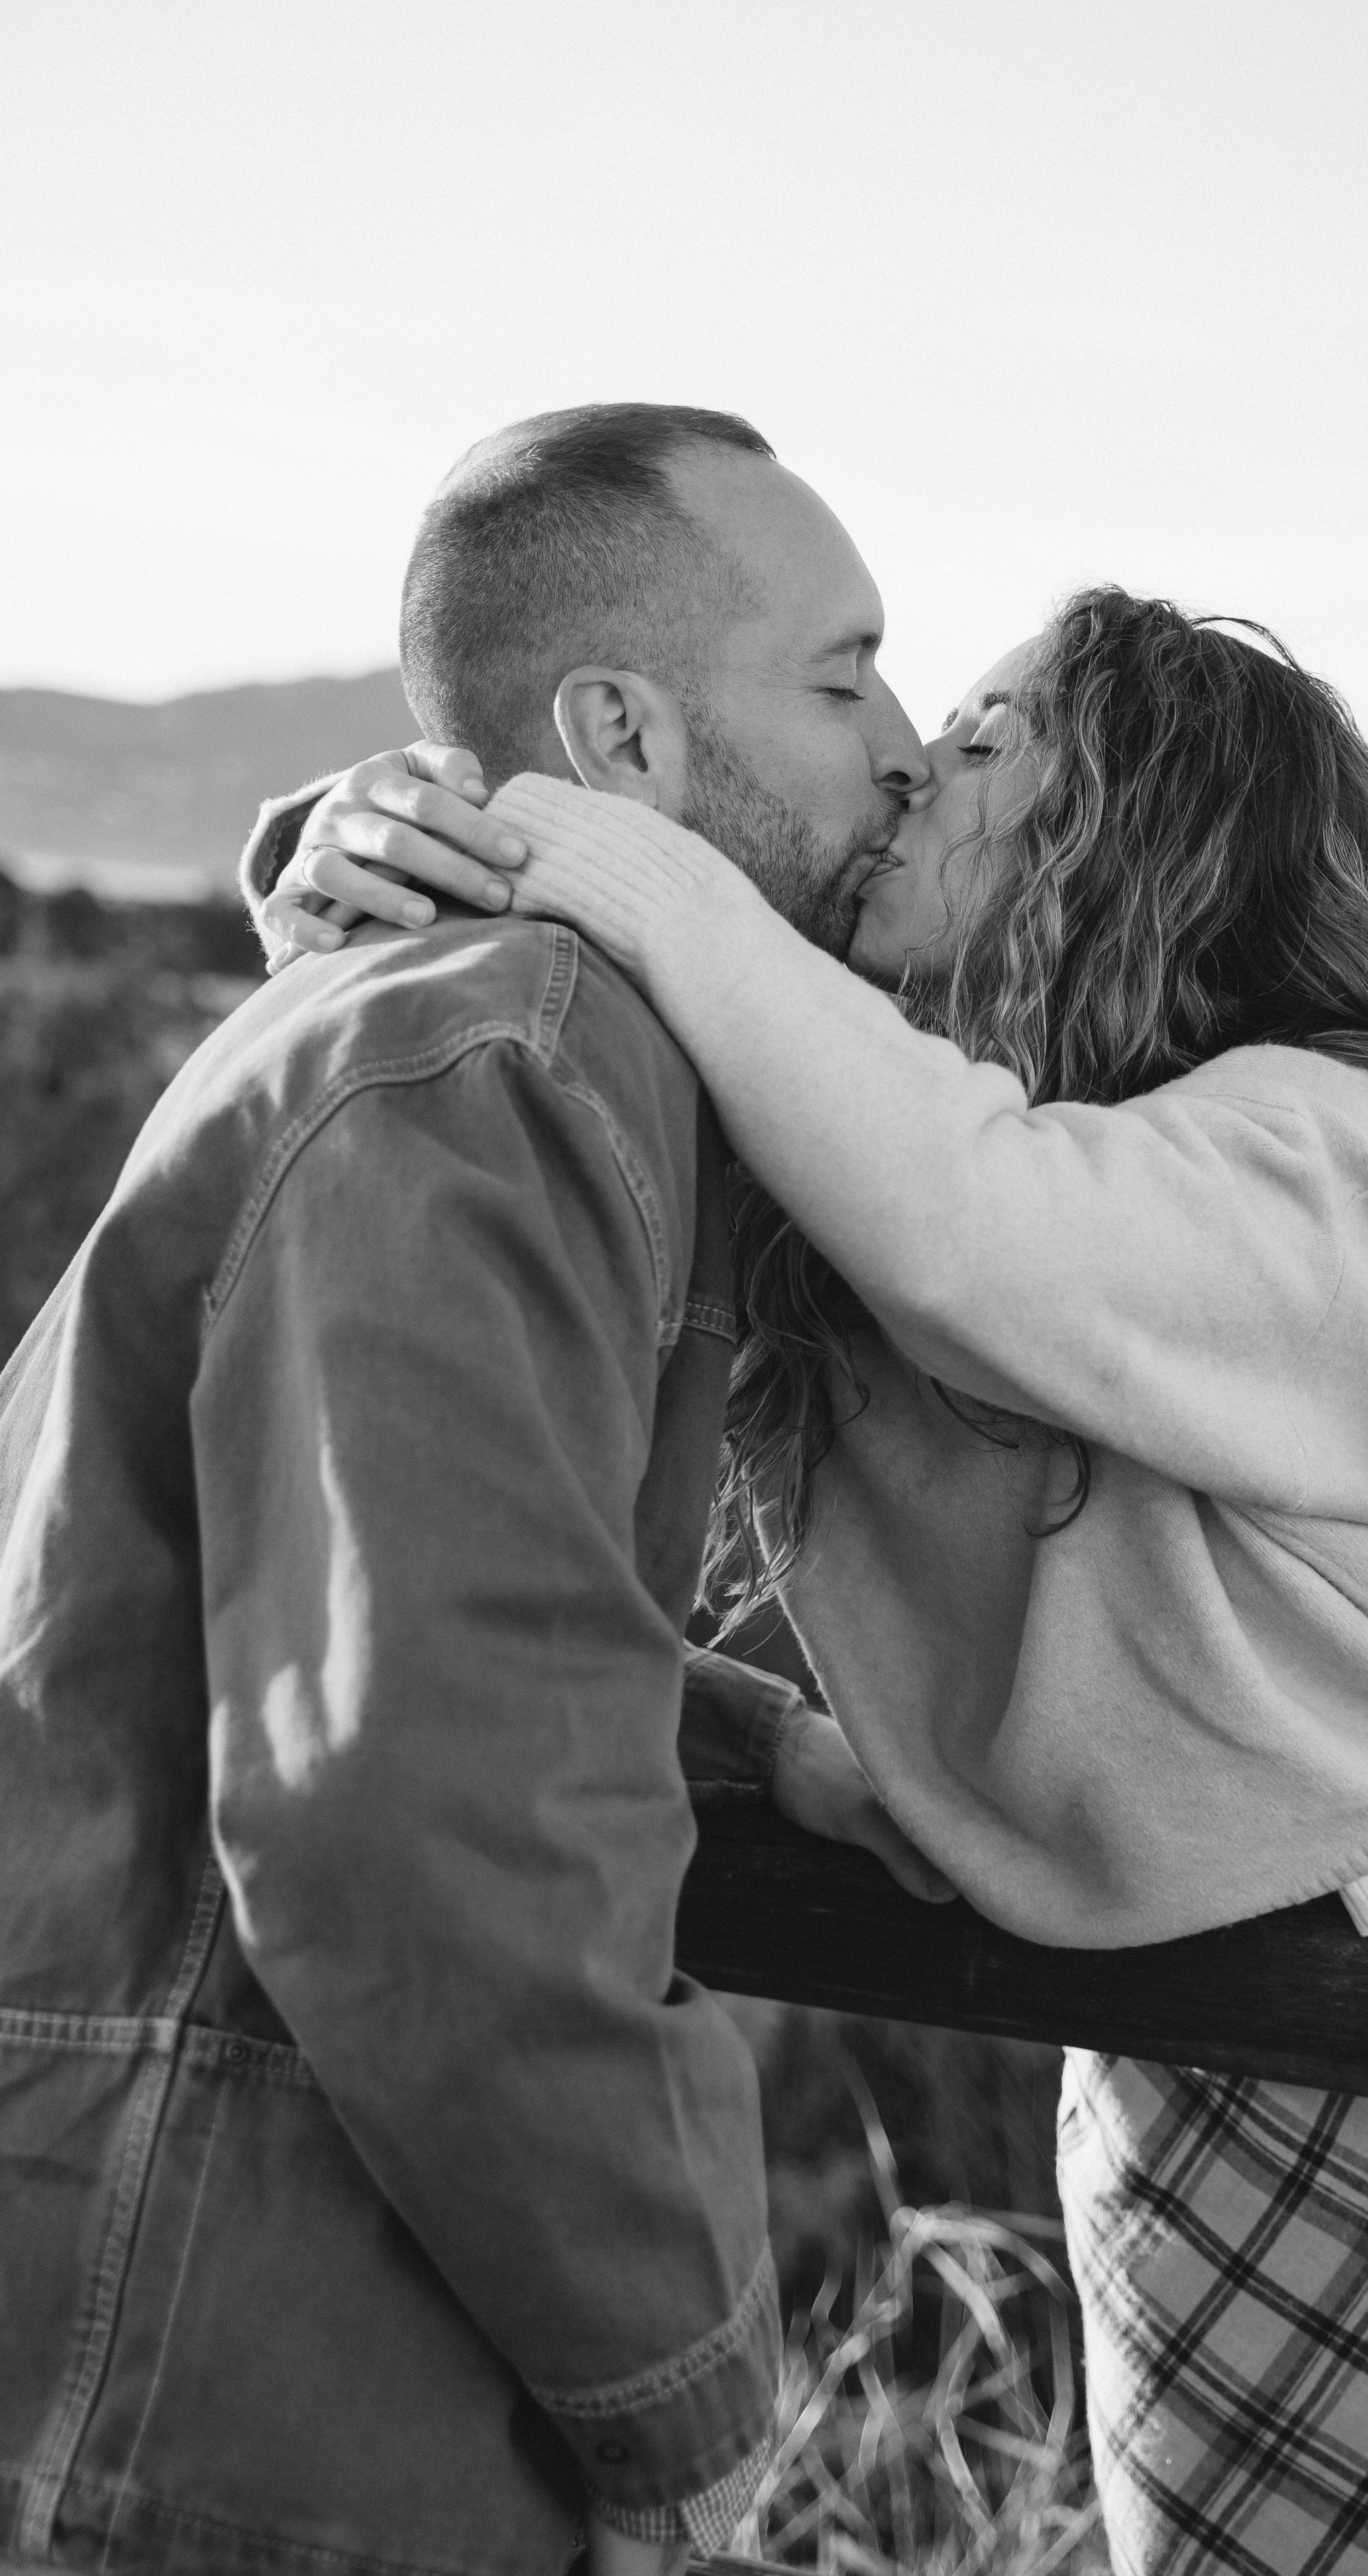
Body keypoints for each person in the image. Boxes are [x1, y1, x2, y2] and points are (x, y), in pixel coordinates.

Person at [282, 590, 1368, 2575]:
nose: (900, 768)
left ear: (1133, 831)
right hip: (1194, 2037)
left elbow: (979, 1228)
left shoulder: (1339, 1149)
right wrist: (351, 863)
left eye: (978, 741)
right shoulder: (895, 1119)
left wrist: (574, 835)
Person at [0, 401, 952, 2576]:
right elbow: (413, 1790)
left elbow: (340, 1594)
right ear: (618, 728)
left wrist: (754, 1747)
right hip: (198, 2343)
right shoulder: (504, 1056)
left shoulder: (498, 1030)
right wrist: (691, 2404)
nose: (903, 742)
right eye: (840, 676)